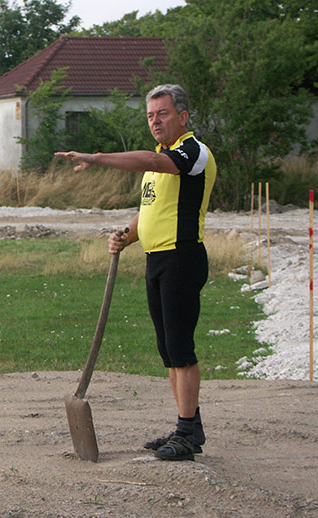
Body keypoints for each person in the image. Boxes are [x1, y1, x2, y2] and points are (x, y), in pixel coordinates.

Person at [54, 84, 217, 461]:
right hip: (157, 259)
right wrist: (126, 237)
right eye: (149, 115)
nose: (155, 121)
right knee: (167, 349)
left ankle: (185, 436)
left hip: (183, 257)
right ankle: (190, 425)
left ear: (182, 116)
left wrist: (97, 158)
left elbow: (157, 163)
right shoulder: (157, 162)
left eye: (162, 113)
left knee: (181, 349)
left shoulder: (192, 152)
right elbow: (149, 213)